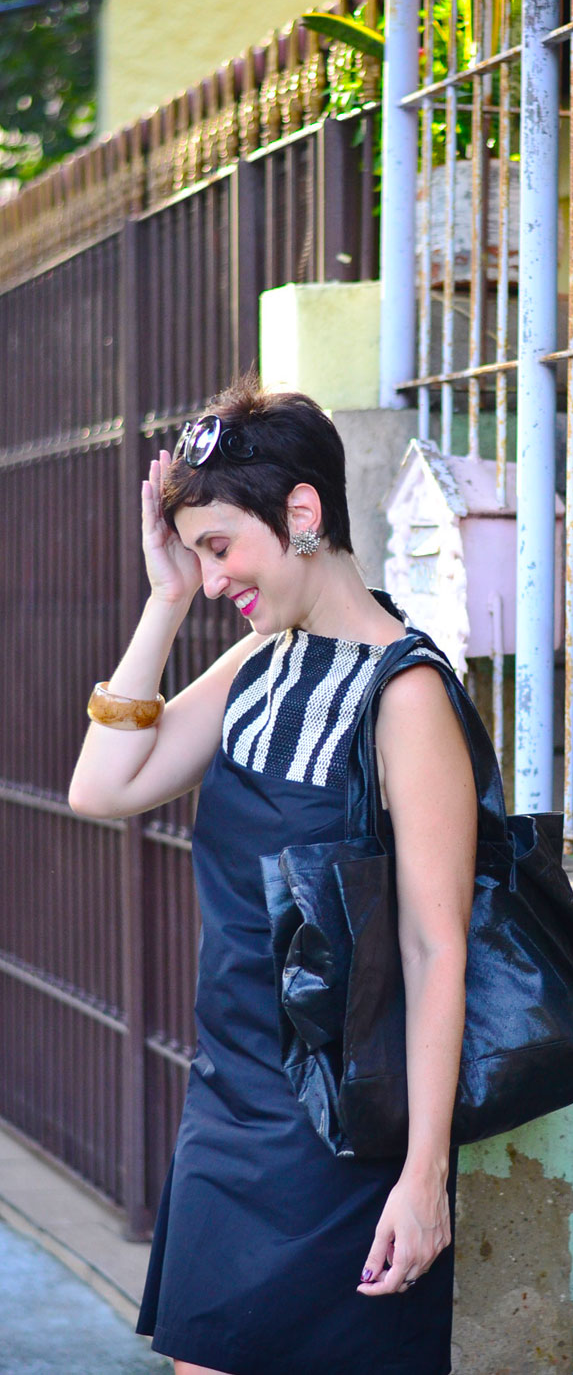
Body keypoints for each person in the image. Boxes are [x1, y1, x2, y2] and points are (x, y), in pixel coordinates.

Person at [68, 378, 476, 1375]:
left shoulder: (405, 692)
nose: (212, 579)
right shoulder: (258, 665)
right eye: (198, 555)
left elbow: (434, 946)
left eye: (219, 548)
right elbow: (102, 786)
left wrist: (425, 1178)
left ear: (301, 512)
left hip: (341, 1139)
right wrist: (164, 600)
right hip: (225, 1112)